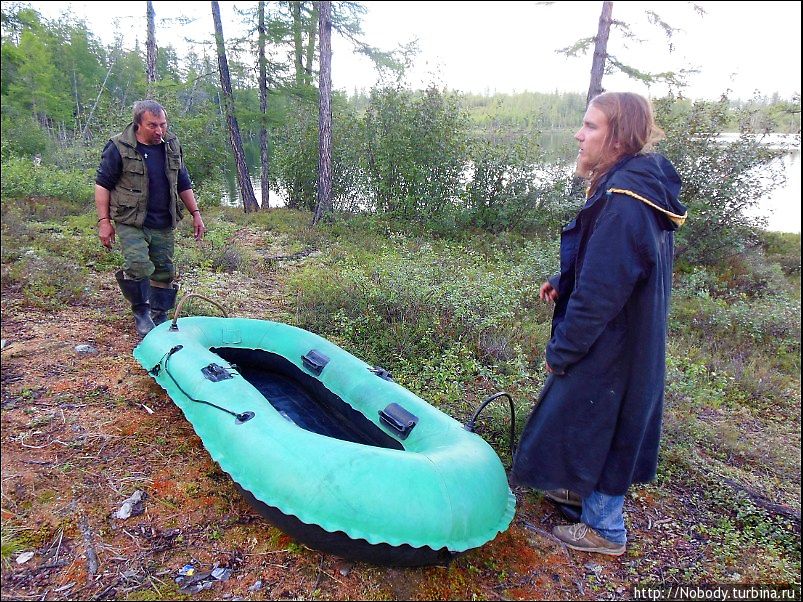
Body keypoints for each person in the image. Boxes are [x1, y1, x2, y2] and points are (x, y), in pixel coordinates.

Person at [510, 92, 687, 556]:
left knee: (605, 415)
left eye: (590, 126)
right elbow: (611, 266)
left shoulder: (628, 200)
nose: (578, 134)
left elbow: (601, 293)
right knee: (586, 413)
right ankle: (576, 489)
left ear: (617, 138)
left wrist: (562, 351)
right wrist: (561, 280)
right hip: (623, 337)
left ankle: (605, 528)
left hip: (616, 344)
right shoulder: (626, 184)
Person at [95, 100, 205, 337]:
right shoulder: (118, 147)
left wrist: (196, 214)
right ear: (138, 124)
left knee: (164, 270)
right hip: (131, 220)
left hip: (163, 220)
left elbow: (183, 181)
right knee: (138, 265)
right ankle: (141, 312)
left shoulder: (171, 145)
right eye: (152, 125)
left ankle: (159, 313)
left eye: (163, 125)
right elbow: (102, 185)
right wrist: (104, 222)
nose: (159, 131)